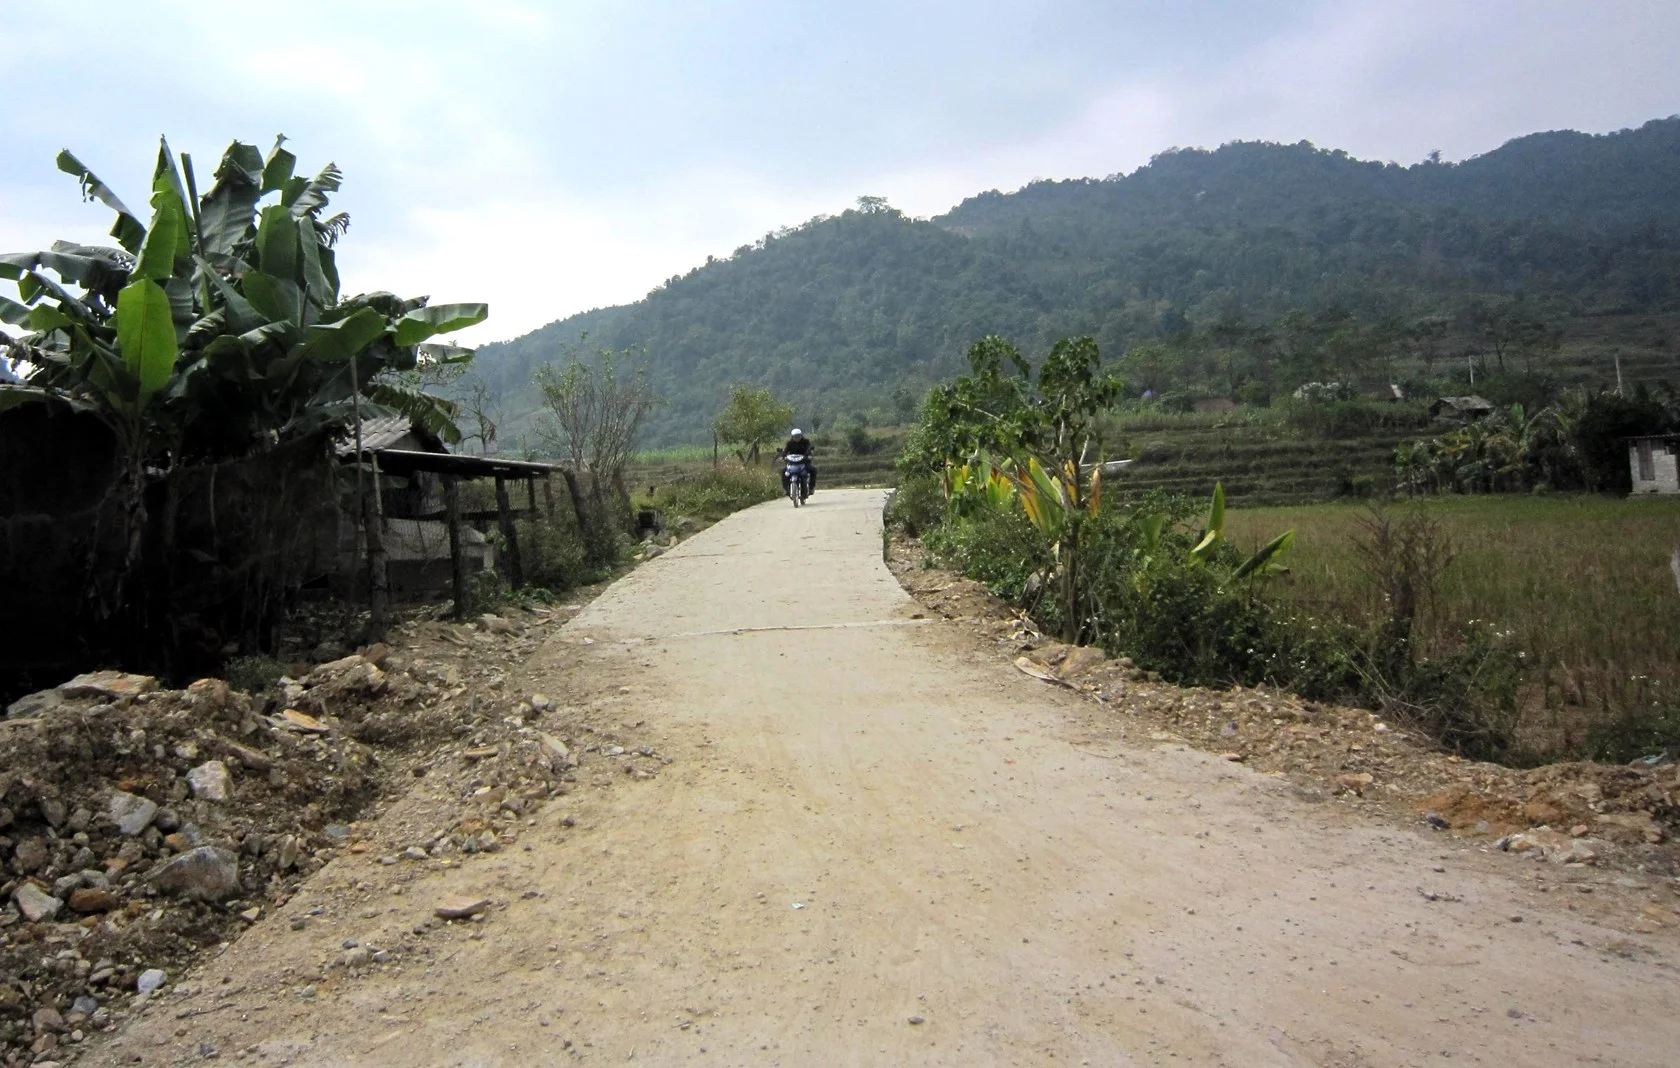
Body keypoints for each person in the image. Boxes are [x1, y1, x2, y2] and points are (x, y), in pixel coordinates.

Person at [777, 428, 816, 497]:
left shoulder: (806, 442)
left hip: (804, 462)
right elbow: (785, 451)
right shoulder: (789, 443)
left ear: (801, 436)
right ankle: (786, 489)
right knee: (784, 471)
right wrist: (783, 455)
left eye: (798, 436)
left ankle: (811, 488)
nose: (797, 438)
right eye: (795, 436)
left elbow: (809, 448)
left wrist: (808, 454)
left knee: (813, 470)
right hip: (792, 463)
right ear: (792, 437)